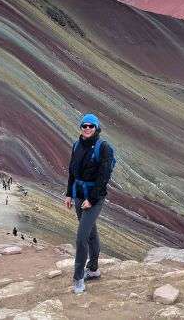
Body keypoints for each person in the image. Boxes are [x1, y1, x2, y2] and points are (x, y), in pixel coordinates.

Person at [65, 113, 113, 294]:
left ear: (96, 128)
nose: (87, 129)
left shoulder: (104, 148)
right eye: (84, 126)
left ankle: (78, 279)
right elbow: (72, 172)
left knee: (81, 237)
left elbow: (104, 177)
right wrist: (69, 194)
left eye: (90, 126)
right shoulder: (76, 145)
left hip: (94, 198)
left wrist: (91, 200)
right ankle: (93, 269)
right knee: (90, 233)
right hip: (78, 196)